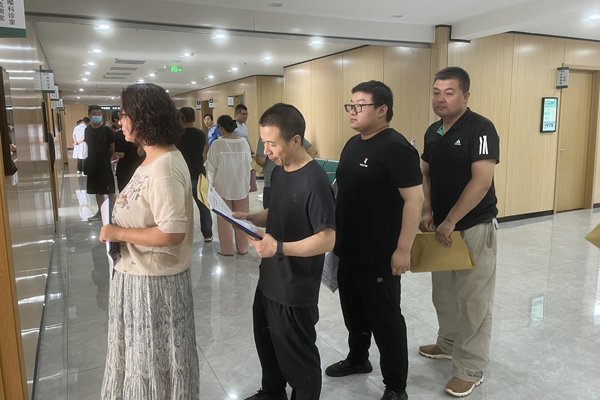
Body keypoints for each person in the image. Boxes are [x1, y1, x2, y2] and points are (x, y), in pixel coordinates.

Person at [99, 83, 199, 400]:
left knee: (154, 366)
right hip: (137, 276)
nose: (120, 121)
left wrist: (118, 233)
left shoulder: (165, 166)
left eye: (124, 114)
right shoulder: (152, 158)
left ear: (144, 118)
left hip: (154, 285)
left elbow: (171, 232)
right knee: (140, 362)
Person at [326, 81, 423, 400]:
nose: (352, 111)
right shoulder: (353, 144)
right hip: (348, 248)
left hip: (379, 253)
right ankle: (358, 359)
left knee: (386, 320)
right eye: (350, 105)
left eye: (360, 105)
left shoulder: (396, 147)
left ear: (382, 110)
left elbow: (414, 200)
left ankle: (396, 386)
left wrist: (403, 250)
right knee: (353, 311)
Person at [236, 103, 335, 400]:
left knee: (299, 360)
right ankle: (273, 392)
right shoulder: (280, 171)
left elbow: (327, 239)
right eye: (263, 142)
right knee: (267, 344)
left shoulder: (315, 181)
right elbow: (278, 211)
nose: (266, 152)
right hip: (269, 279)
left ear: (295, 140)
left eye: (272, 143)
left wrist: (278, 247)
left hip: (294, 288)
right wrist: (251, 217)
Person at [418, 66, 499, 398]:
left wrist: (450, 220)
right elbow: (425, 172)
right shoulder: (433, 131)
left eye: (449, 92)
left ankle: (470, 368)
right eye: (436, 92)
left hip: (473, 227)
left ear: (465, 95)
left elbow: (482, 182)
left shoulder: (481, 128)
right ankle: (448, 343)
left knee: (473, 301)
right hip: (441, 229)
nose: (441, 98)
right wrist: (427, 210)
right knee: (444, 294)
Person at [205, 115, 252, 255]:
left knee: (224, 220)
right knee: (242, 218)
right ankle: (243, 248)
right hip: (241, 187)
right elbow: (249, 164)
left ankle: (227, 250)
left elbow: (210, 168)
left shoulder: (217, 144)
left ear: (220, 127)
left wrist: (210, 185)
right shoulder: (244, 142)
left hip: (222, 187)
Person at [177, 107, 213, 242]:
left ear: (181, 118)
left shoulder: (176, 136)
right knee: (204, 206)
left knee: (181, 208)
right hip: (199, 174)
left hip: (181, 175)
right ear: (194, 118)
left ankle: (182, 234)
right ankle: (208, 234)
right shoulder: (201, 134)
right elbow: (205, 153)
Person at [255, 136, 317, 209]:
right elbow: (312, 151)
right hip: (291, 184)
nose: (266, 151)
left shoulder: (268, 135)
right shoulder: (291, 133)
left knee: (273, 213)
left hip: (273, 185)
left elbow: (261, 160)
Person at [84, 106, 115, 221]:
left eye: (99, 113)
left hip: (104, 164)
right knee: (97, 190)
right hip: (92, 164)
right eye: (94, 113)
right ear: (89, 115)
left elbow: (112, 147)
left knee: (110, 190)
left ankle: (113, 213)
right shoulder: (87, 130)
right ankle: (101, 212)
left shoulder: (107, 130)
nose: (97, 115)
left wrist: (107, 158)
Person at [112, 110, 145, 192]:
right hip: (129, 168)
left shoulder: (141, 135)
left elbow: (119, 153)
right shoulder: (119, 135)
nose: (119, 123)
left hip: (132, 168)